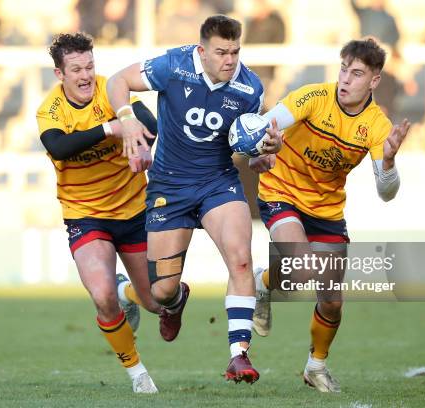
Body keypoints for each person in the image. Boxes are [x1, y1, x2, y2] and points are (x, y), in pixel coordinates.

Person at [107, 15, 282, 384]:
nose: (230, 60)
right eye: (221, 52)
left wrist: (266, 154)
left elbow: (250, 151)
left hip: (218, 183)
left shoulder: (250, 88)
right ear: (202, 51)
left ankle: (239, 355)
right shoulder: (174, 65)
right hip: (169, 188)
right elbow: (117, 80)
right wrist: (126, 118)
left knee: (240, 260)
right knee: (161, 292)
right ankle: (175, 302)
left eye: (235, 51)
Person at [249, 38, 411, 392]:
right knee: (303, 268)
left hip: (327, 209)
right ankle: (264, 283)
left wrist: (388, 162)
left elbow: (386, 193)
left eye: (356, 74)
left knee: (333, 301)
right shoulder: (314, 97)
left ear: (374, 80)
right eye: (343, 69)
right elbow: (270, 123)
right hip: (282, 192)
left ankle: (315, 366)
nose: (345, 79)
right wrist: (263, 139)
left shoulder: (376, 125)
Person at [35, 32, 164, 394]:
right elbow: (59, 147)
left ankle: (131, 295)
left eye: (90, 66)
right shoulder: (50, 110)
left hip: (134, 210)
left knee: (158, 302)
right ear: (60, 74)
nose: (86, 75)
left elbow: (149, 125)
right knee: (102, 296)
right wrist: (111, 129)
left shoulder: (113, 92)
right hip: (86, 215)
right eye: (76, 69)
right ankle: (138, 374)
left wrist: (143, 145)